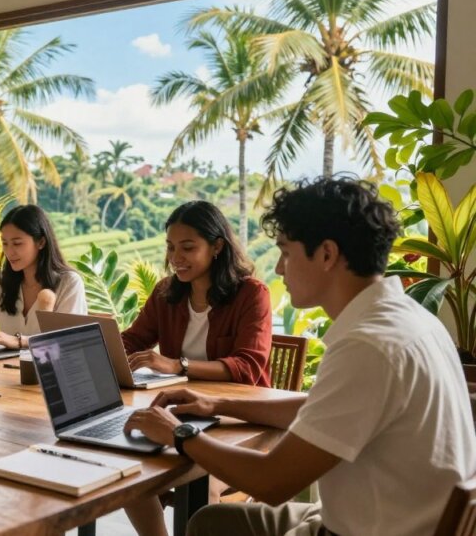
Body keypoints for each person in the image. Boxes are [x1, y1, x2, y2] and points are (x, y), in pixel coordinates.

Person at [126, 177, 476, 536]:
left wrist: (180, 434)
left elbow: (272, 481)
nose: (279, 268)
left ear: (327, 254)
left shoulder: (369, 346)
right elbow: (318, 407)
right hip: (378, 518)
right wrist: (215, 405)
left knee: (208, 525)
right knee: (209, 522)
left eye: (286, 252)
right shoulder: (407, 319)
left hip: (364, 530)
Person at [120, 201, 273, 536]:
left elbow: (248, 366)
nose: (176, 258)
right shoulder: (166, 294)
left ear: (217, 246)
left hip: (242, 421)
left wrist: (178, 364)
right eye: (171, 248)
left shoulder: (251, 294)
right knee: (131, 475)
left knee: (203, 486)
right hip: (182, 413)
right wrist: (102, 347)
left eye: (188, 248)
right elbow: (132, 340)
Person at [0, 204, 87, 349]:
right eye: (5, 243)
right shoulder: (0, 281)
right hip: (3, 369)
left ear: (41, 242)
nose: (9, 252)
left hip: (50, 370)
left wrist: (19, 341)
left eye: (17, 243)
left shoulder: (69, 283)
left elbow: (69, 340)